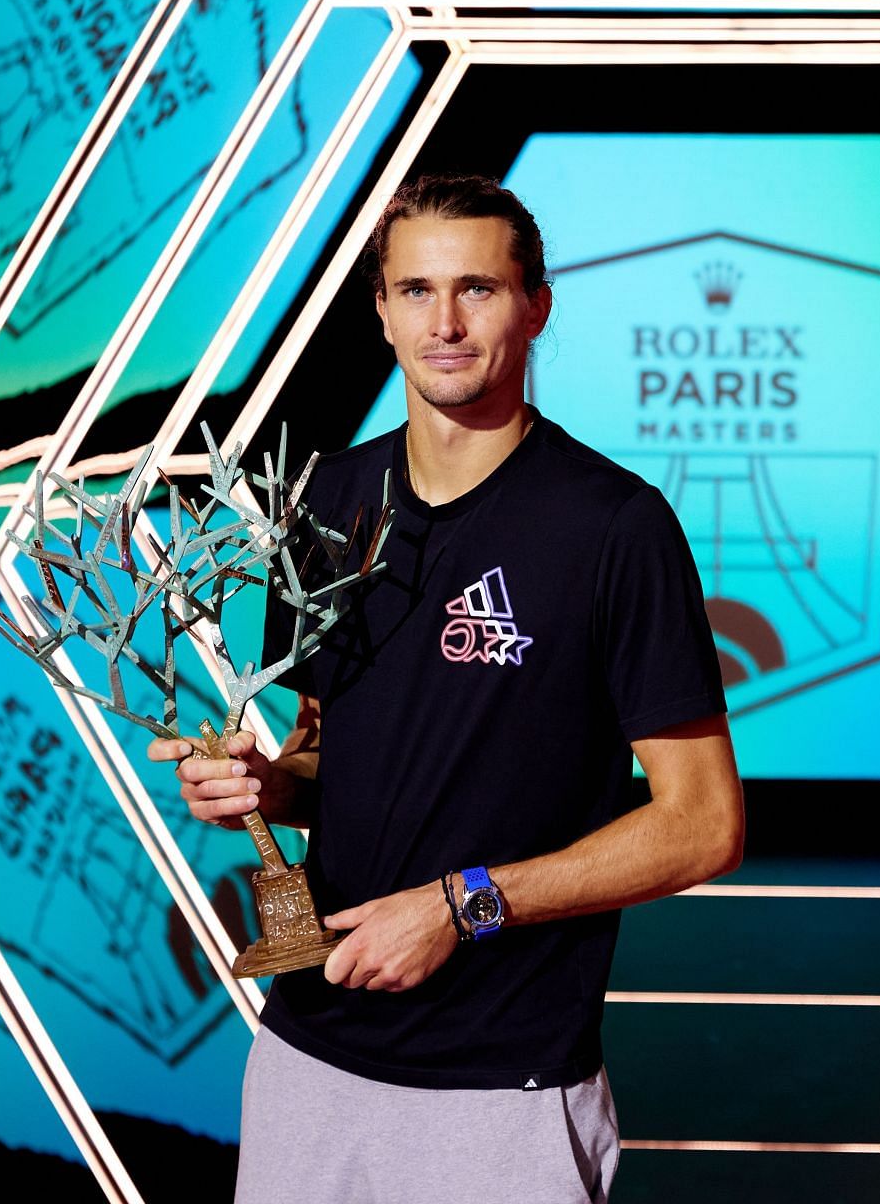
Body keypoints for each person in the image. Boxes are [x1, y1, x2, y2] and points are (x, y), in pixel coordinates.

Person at [147, 173, 744, 1203]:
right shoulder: (328, 493)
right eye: (416, 291)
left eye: (478, 287)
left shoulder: (614, 526)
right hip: (307, 1051)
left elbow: (703, 824)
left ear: (537, 303)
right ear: (380, 310)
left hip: (500, 1082)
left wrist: (463, 904)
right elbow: (329, 739)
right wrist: (267, 782)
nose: (447, 322)